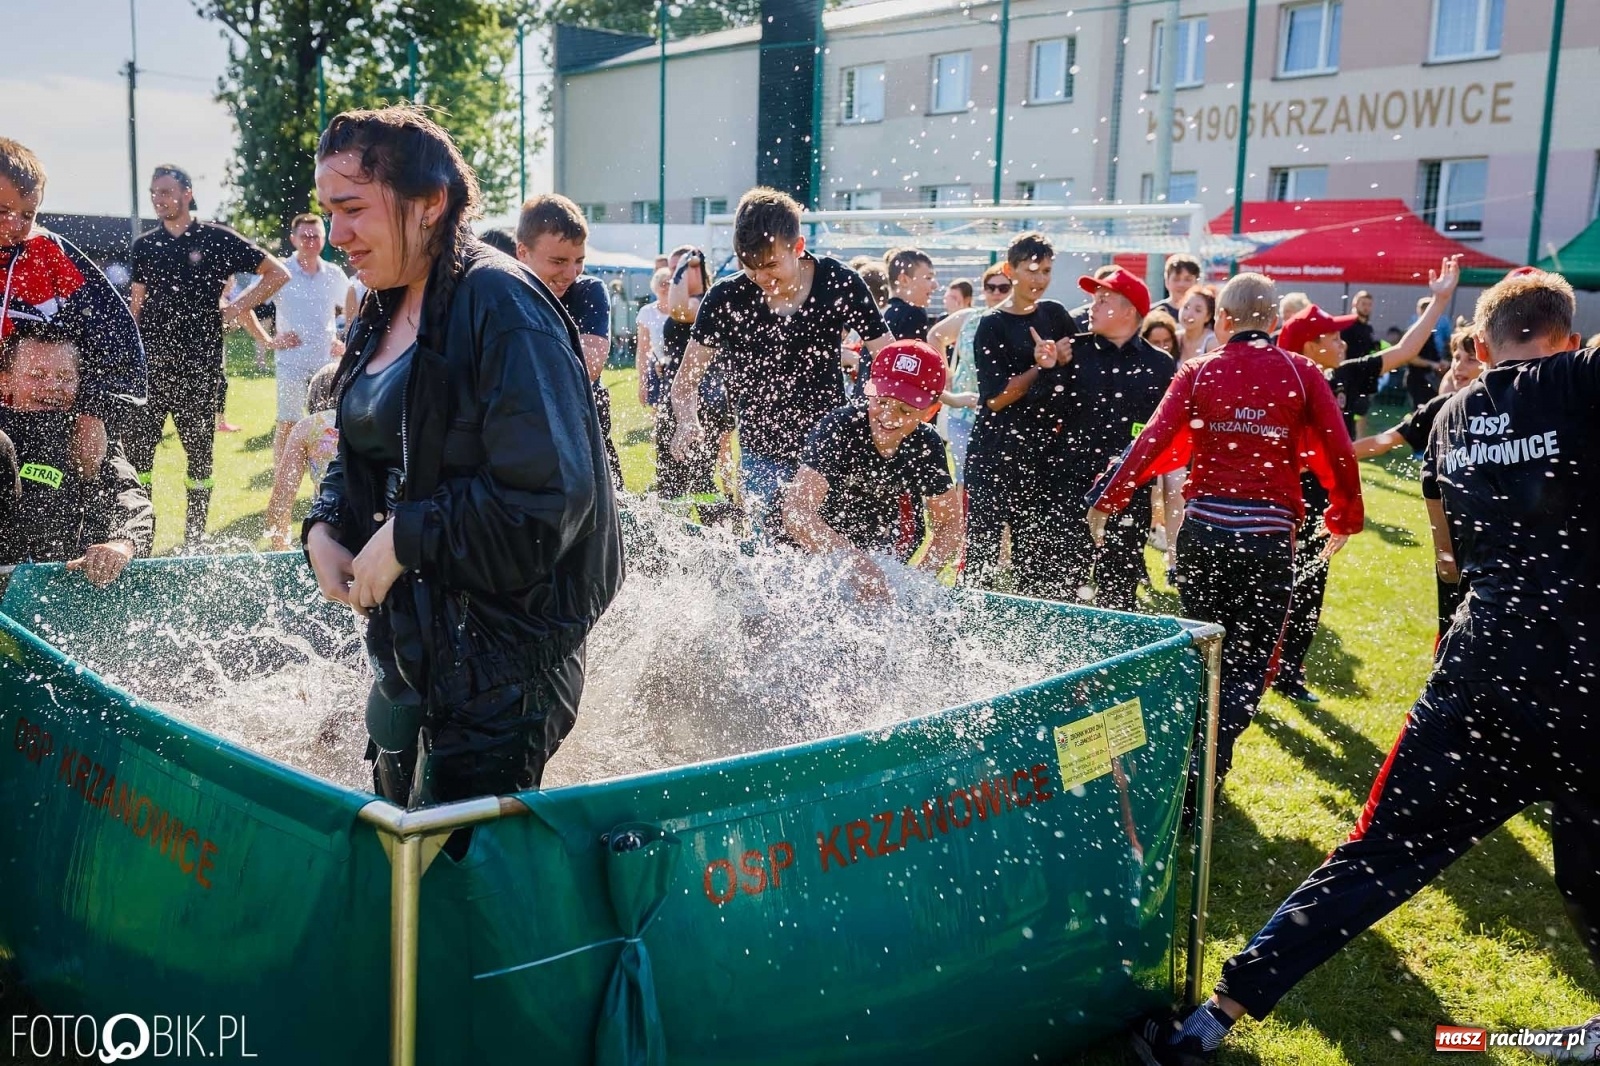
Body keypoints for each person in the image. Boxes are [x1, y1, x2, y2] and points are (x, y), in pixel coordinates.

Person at [1136, 270, 1600, 1066]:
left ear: (1481, 348)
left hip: (1482, 667)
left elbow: (1451, 553)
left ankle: (1215, 1016)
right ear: (1563, 337)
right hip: (1583, 674)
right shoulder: (1574, 381)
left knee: (1377, 853)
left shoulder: (1455, 414)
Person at [303, 106, 622, 812]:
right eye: (328, 213)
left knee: (456, 886)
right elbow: (368, 447)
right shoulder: (382, 304)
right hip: (413, 646)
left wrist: (410, 536)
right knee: (394, 853)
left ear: (430, 203)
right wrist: (325, 525)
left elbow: (549, 501)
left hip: (503, 665)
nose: (337, 237)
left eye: (352, 209)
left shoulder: (500, 303)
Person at [1086, 272, 1361, 799]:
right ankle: (1207, 763)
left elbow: (1152, 440)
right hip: (1266, 541)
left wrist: (1110, 496)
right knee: (1249, 661)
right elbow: (1338, 448)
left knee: (1202, 653)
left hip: (1205, 534)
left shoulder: (1199, 370)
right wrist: (1344, 516)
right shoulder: (1300, 372)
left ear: (1224, 322)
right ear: (1276, 323)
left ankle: (1194, 761)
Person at [1271, 257, 1460, 704]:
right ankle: (1259, 668)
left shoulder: (1343, 374)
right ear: (1310, 345)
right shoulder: (1280, 383)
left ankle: (1287, 672)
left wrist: (1440, 300)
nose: (1342, 341)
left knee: (1310, 592)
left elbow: (1405, 350)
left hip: (1322, 507)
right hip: (1283, 506)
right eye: (1333, 336)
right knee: (1278, 591)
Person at [670, 187, 891, 533]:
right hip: (762, 452)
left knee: (834, 558)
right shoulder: (726, 297)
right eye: (750, 267)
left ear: (798, 247)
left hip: (829, 450)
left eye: (771, 264)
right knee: (773, 561)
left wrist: (880, 413)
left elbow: (888, 356)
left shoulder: (839, 282)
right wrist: (687, 420)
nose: (762, 278)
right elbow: (685, 382)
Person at [128, 164, 288, 548]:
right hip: (152, 369)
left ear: (187, 193)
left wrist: (236, 308)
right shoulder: (144, 245)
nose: (158, 199)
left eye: (166, 191)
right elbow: (136, 305)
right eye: (154, 192)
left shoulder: (216, 238)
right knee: (139, 463)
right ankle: (139, 538)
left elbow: (277, 273)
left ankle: (194, 542)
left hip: (200, 370)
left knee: (200, 463)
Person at [0, 138, 145, 479]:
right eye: (3, 212)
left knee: (113, 493)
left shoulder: (51, 256)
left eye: (27, 214)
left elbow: (115, 339)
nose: (15, 225)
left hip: (44, 421)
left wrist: (93, 412)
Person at [1036, 263, 1175, 609]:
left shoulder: (1160, 365)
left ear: (1130, 310)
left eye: (1103, 300)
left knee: (1119, 590)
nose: (1092, 307)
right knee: (1061, 587)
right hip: (1069, 489)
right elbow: (1044, 411)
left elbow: (1161, 434)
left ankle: (1115, 663)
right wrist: (1048, 369)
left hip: (1129, 493)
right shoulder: (1072, 352)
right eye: (1094, 300)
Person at [782, 340, 964, 600]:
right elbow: (797, 512)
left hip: (876, 544)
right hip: (802, 549)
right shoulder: (840, 428)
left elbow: (949, 524)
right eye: (881, 402)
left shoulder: (926, 445)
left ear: (930, 411)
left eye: (904, 409)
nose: (889, 417)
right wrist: (854, 563)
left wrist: (915, 583)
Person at [0, 323, 153, 582]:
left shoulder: (88, 432)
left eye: (65, 378)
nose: (52, 386)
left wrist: (122, 543)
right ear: (4, 383)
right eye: (37, 375)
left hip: (66, 583)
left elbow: (131, 498)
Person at [514, 193, 623, 489]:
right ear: (522, 252)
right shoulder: (505, 293)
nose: (570, 273)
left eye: (579, 261)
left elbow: (588, 367)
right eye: (558, 261)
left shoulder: (588, 291)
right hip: (525, 450)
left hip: (588, 447)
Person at [260, 213, 350, 464]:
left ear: (325, 239)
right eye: (305, 236)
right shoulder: (280, 271)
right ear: (293, 239)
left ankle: (327, 474)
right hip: (292, 362)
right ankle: (282, 478)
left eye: (316, 236)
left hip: (326, 363)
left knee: (330, 421)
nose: (310, 241)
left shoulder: (333, 273)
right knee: (288, 420)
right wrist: (269, 340)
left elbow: (356, 309)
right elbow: (248, 305)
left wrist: (344, 339)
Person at [928, 262, 1007, 486]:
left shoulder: (1018, 323)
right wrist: (947, 375)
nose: (996, 293)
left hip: (1000, 414)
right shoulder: (969, 318)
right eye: (990, 287)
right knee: (964, 477)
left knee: (996, 480)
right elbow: (935, 335)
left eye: (1003, 287)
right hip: (962, 412)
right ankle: (962, 521)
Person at [264, 363, 342, 551]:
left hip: (331, 522)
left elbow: (281, 497)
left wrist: (281, 547)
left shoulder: (308, 427)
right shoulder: (374, 421)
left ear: (313, 395)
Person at [881, 246, 938, 343]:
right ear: (904, 280)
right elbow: (914, 357)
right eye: (928, 278)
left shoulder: (883, 312)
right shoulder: (913, 314)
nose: (935, 285)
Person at [634, 267, 670, 408]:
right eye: (663, 284)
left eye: (670, 283)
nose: (667, 287)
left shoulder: (681, 310)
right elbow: (643, 349)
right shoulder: (647, 312)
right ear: (655, 288)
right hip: (656, 363)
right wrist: (643, 382)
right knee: (657, 408)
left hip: (678, 360)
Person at [1153, 253, 1202, 320]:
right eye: (1176, 279)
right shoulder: (1153, 314)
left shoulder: (1205, 316)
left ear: (1197, 282)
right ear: (1167, 282)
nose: (1181, 284)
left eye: (1188, 279)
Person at [1175, 286, 1217, 364]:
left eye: (1198, 310)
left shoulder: (1212, 343)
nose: (1189, 314)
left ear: (1207, 317)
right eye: (1186, 307)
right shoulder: (1174, 338)